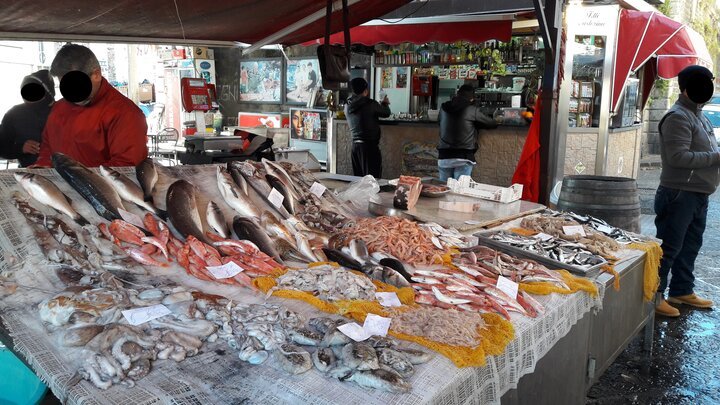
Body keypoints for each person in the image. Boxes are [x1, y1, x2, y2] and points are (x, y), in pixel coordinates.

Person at [654, 65, 719, 317]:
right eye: (702, 83)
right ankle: (655, 295)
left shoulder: (698, 115)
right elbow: (678, 157)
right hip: (678, 194)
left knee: (690, 246)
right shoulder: (678, 116)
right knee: (668, 248)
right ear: (686, 88)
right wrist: (716, 157)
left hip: (698, 194)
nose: (707, 88)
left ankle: (681, 290)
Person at [34, 44, 147, 167]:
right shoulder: (59, 108)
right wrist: (42, 166)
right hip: (58, 184)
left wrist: (81, 180)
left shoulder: (124, 113)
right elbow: (48, 147)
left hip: (100, 186)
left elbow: (127, 166)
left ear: (96, 74)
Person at [437, 84, 497, 181]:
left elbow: (439, 122)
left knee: (444, 190)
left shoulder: (443, 107)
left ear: (457, 94)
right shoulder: (472, 109)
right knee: (460, 191)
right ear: (472, 98)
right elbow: (491, 123)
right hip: (463, 156)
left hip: (444, 156)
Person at [0, 70, 55, 167]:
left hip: (62, 173)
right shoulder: (14, 114)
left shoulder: (62, 110)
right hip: (28, 173)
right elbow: (2, 148)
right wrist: (21, 148)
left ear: (47, 92)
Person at [344, 77, 390, 178]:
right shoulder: (370, 103)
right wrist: (385, 103)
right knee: (372, 181)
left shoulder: (347, 106)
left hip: (355, 147)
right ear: (365, 91)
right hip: (370, 148)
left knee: (359, 180)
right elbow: (386, 113)